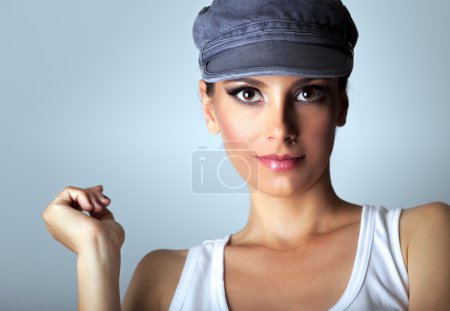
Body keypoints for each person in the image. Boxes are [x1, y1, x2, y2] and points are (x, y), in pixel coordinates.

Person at [42, 0, 450, 310]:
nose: (280, 129)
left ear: (340, 104)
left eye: (308, 93)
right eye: (248, 94)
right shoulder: (166, 277)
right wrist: (96, 254)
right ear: (209, 107)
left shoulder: (419, 239)